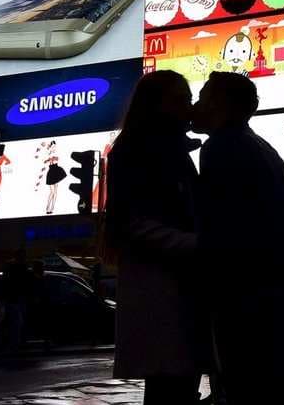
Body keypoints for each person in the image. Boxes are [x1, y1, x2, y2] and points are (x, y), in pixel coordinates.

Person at [192, 71, 284, 405]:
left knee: (247, 387)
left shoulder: (221, 147)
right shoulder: (260, 147)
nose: (195, 107)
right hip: (282, 293)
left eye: (202, 98)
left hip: (250, 297)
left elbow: (221, 228)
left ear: (222, 105)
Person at [105, 71, 208, 404]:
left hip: (174, 284)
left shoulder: (165, 148)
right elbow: (135, 223)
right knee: (171, 384)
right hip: (163, 286)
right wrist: (201, 247)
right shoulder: (144, 150)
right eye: (180, 98)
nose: (188, 106)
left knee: (173, 385)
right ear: (157, 105)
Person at [1, 248, 31, 353]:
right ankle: (16, 344)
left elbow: (5, 281)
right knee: (17, 323)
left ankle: (16, 343)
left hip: (14, 298)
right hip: (16, 299)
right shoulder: (19, 267)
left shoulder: (12, 266)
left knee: (16, 322)